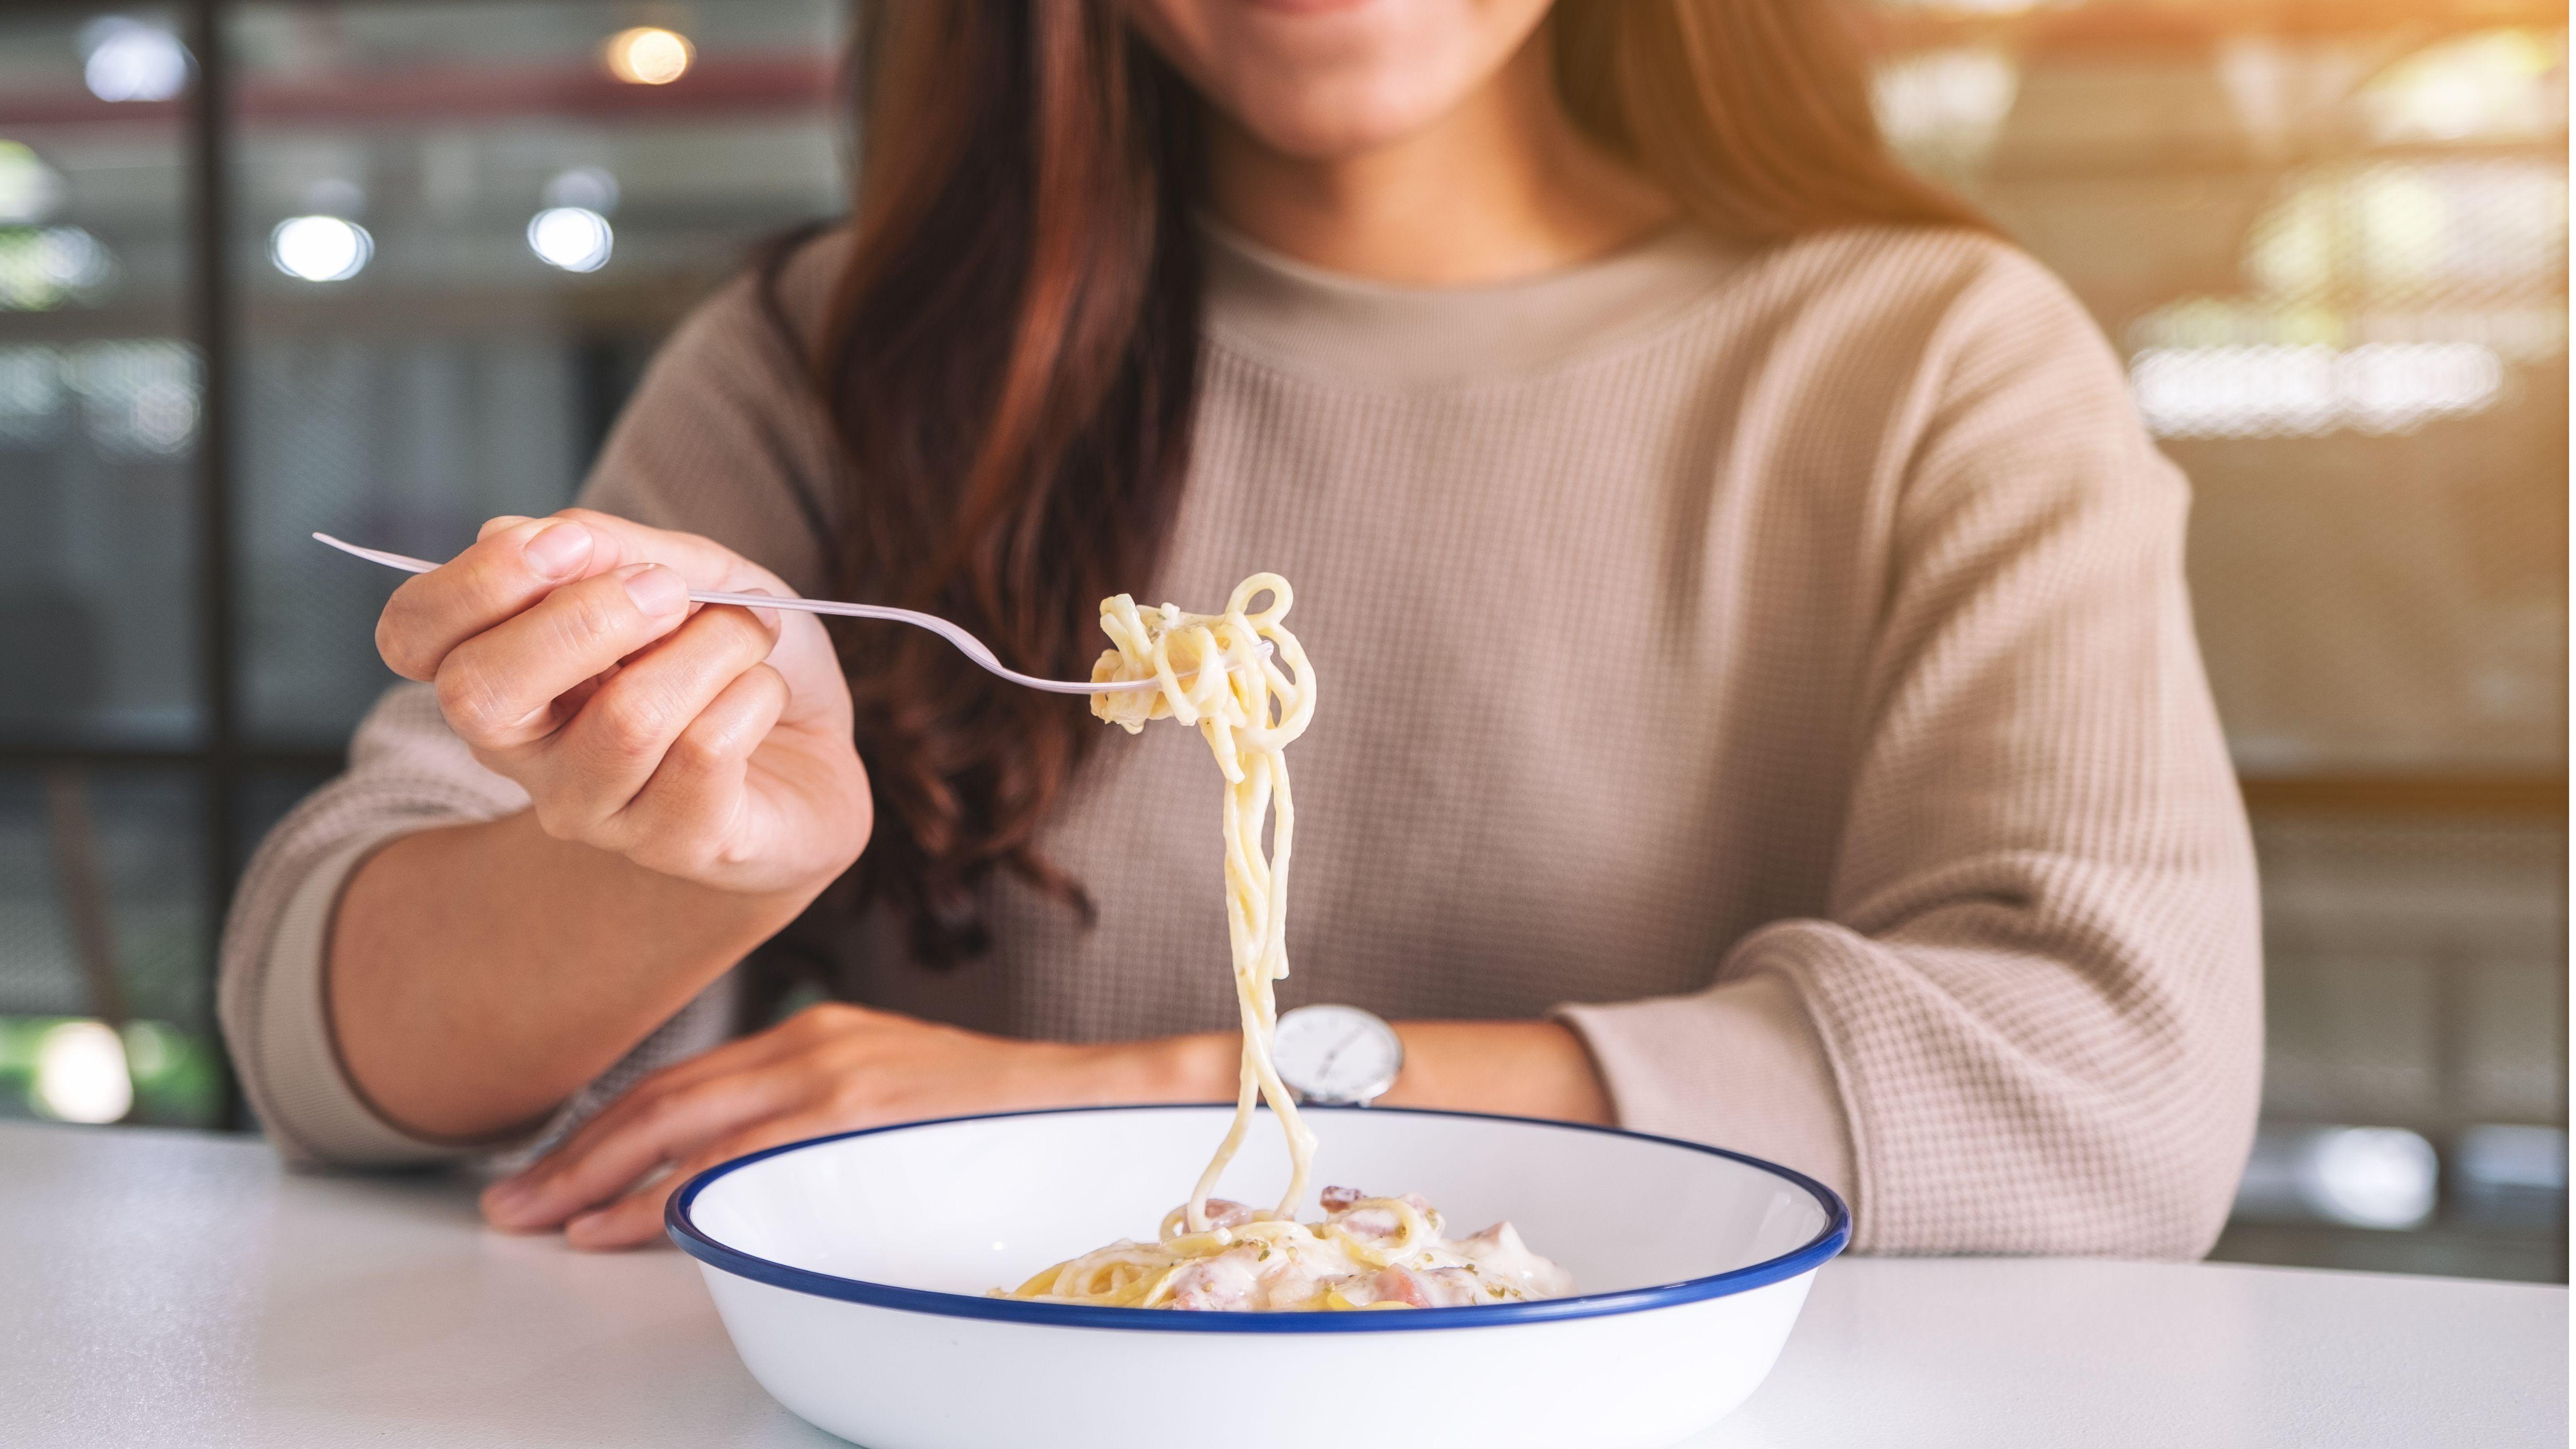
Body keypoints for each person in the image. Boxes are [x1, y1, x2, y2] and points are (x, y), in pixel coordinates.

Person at [220, 0, 2261, 1256]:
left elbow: (2104, 1082)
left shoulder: (1930, 360)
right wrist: (664, 871)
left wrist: (1158, 1099)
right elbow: (331, 1043)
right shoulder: (829, 359)